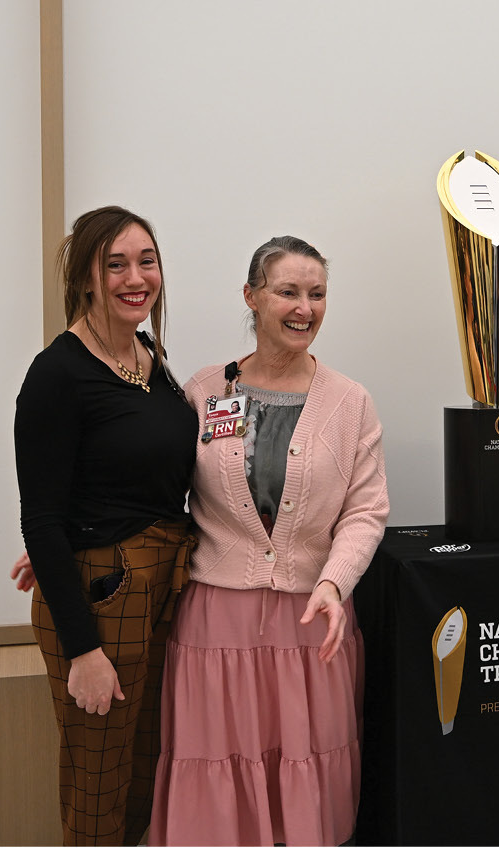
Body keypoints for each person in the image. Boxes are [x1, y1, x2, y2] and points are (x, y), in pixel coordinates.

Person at [151, 237, 381, 844]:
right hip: (215, 623)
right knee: (216, 769)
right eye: (288, 292)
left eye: (317, 294)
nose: (304, 307)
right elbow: (154, 485)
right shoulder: (205, 390)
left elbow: (365, 511)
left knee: (304, 772)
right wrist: (76, 535)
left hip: (312, 621)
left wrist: (335, 583)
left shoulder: (349, 402)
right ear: (251, 298)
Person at [10, 207, 188, 846]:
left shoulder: (150, 359)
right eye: (115, 264)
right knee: (99, 786)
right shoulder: (57, 373)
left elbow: (148, 482)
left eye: (147, 260)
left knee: (147, 772)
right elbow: (42, 517)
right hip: (102, 600)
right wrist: (84, 650)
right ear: (86, 278)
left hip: (163, 583)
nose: (135, 277)